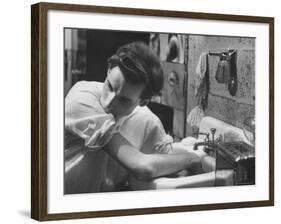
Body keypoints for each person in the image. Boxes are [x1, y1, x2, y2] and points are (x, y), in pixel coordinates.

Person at [65, 41, 202, 193]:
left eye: (123, 100)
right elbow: (143, 167)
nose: (108, 102)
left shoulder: (147, 122)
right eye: (110, 86)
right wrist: (191, 159)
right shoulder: (82, 98)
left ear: (143, 101)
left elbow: (167, 167)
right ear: (108, 70)